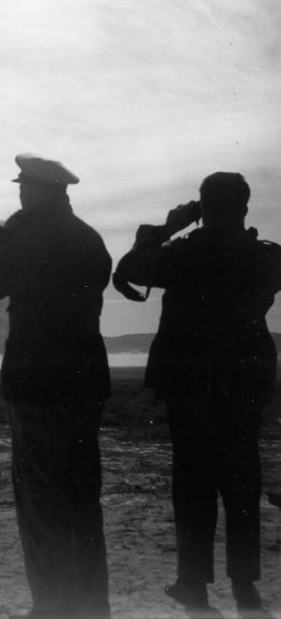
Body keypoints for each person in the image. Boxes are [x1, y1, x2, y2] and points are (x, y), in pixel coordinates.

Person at [114, 172, 281, 612]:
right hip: (243, 384)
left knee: (194, 485)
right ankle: (246, 587)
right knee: (243, 483)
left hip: (190, 386)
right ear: (244, 207)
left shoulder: (184, 253)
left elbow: (129, 270)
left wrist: (170, 227)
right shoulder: (266, 257)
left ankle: (194, 583)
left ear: (203, 208)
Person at [0, 154, 112, 619]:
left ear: (34, 191)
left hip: (37, 382)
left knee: (39, 500)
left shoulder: (28, 234)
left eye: (22, 189)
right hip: (86, 380)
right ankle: (93, 603)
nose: (19, 195)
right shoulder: (91, 239)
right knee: (82, 497)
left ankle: (52, 606)